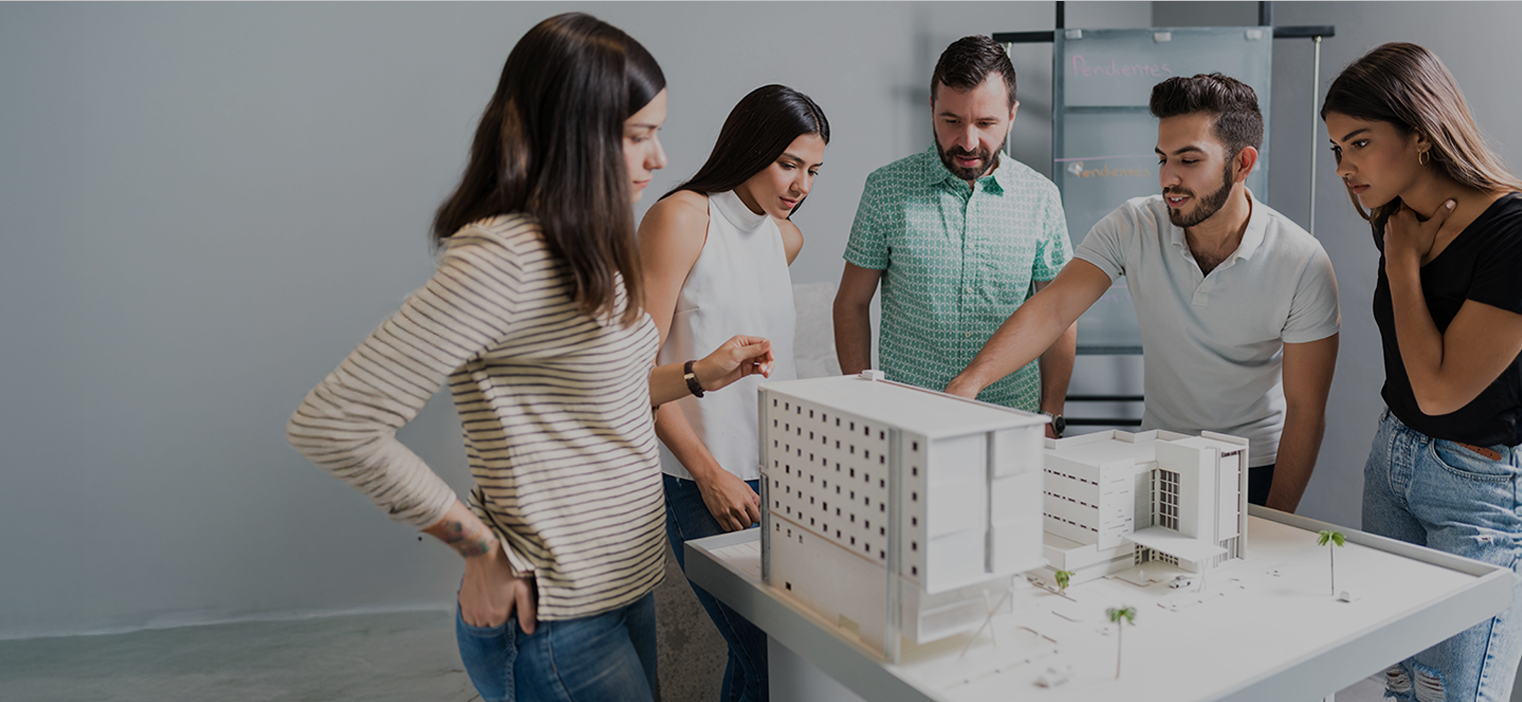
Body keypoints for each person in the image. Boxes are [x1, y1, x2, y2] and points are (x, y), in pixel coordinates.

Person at [285, 14, 776, 702]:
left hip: (623, 589)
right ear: (570, 134)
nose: (660, 158)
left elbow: (595, 393)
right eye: (638, 136)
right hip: (554, 618)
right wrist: (480, 549)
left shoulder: (586, 245)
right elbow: (334, 423)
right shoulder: (501, 260)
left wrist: (698, 375)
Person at [945, 73, 1340, 511]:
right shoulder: (1133, 224)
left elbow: (1306, 410)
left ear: (1242, 163)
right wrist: (968, 385)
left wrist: (1276, 516)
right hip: (1156, 458)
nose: (1168, 178)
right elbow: (1054, 309)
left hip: (1253, 468)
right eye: (1163, 159)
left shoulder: (1302, 262)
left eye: (1189, 161)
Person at [1324, 43, 1522, 702]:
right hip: (1392, 464)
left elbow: (1440, 386)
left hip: (1484, 493)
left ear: (1421, 134)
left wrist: (1403, 268)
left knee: (1452, 698)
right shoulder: (1396, 219)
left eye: (1360, 143)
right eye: (1337, 149)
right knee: (1396, 690)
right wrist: (1399, 249)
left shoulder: (1521, 228)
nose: (1345, 167)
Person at [637, 84, 829, 702]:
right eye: (789, 164)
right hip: (703, 482)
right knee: (769, 662)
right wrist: (709, 472)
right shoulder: (681, 217)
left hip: (785, 479)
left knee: (768, 664)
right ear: (750, 147)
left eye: (814, 171)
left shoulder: (784, 238)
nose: (801, 184)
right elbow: (632, 378)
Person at [833, 35, 1075, 429]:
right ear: (931, 109)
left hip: (1010, 418)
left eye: (986, 123)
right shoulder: (886, 188)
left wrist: (1051, 412)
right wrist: (862, 405)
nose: (968, 141)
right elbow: (851, 303)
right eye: (952, 121)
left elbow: (1059, 313)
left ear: (1012, 115)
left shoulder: (1041, 198)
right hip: (905, 416)